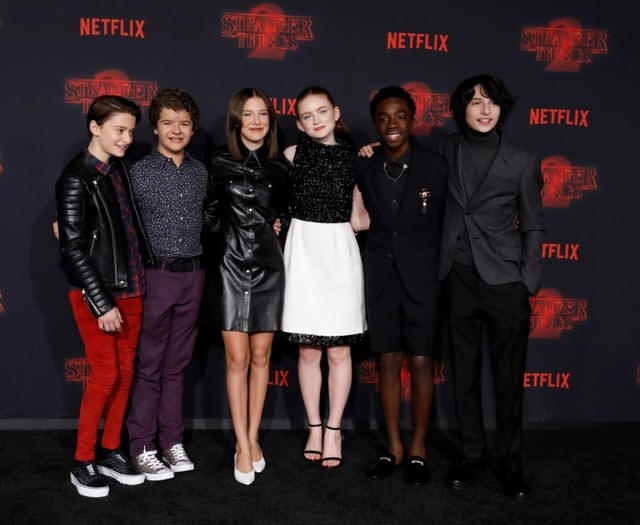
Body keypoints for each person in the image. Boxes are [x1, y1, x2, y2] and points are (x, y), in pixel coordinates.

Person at [439, 75, 544, 500]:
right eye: (475, 102)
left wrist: (528, 279)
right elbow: (406, 160)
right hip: (458, 278)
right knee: (464, 374)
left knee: (508, 379)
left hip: (505, 281)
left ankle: (511, 462)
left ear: (502, 109)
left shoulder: (522, 159)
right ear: (460, 109)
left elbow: (533, 222)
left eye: (492, 103)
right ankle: (471, 454)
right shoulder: (445, 149)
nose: (485, 111)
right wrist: (372, 148)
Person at [55, 95, 149, 497]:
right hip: (98, 296)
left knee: (125, 375)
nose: (127, 138)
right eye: (119, 130)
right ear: (94, 127)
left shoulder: (118, 170)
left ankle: (110, 451)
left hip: (133, 289)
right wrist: (101, 301)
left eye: (131, 131)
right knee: (106, 375)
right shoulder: (75, 177)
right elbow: (73, 249)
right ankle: (83, 461)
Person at [355, 86, 447, 486]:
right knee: (387, 363)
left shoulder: (435, 166)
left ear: (412, 119)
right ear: (375, 123)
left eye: (400, 116)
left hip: (423, 279)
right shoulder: (365, 164)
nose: (392, 124)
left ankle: (418, 449)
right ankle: (392, 447)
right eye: (383, 117)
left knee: (422, 363)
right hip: (381, 278)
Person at [204, 87, 289, 485]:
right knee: (237, 358)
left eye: (263, 114)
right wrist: (224, 238)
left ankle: (253, 438)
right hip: (230, 265)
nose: (256, 121)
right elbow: (207, 214)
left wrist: (278, 225)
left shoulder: (281, 168)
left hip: (270, 267)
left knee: (261, 356)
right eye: (249, 114)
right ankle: (241, 443)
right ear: (236, 120)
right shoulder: (218, 160)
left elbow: (287, 213)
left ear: (270, 122)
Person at [281, 86, 368, 468]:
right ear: (299, 123)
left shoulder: (356, 157)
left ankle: (334, 429)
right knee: (308, 350)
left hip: (340, 253)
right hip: (302, 254)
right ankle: (314, 427)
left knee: (339, 350)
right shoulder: (290, 156)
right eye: (307, 115)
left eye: (321, 111)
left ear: (335, 112)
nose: (316, 120)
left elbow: (360, 217)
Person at [126, 89, 208, 480]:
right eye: (168, 122)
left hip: (193, 277)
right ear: (155, 127)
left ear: (193, 128)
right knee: (150, 366)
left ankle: (171, 441)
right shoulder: (137, 173)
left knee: (177, 366)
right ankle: (141, 445)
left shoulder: (200, 172)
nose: (177, 130)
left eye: (184, 123)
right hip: (154, 277)